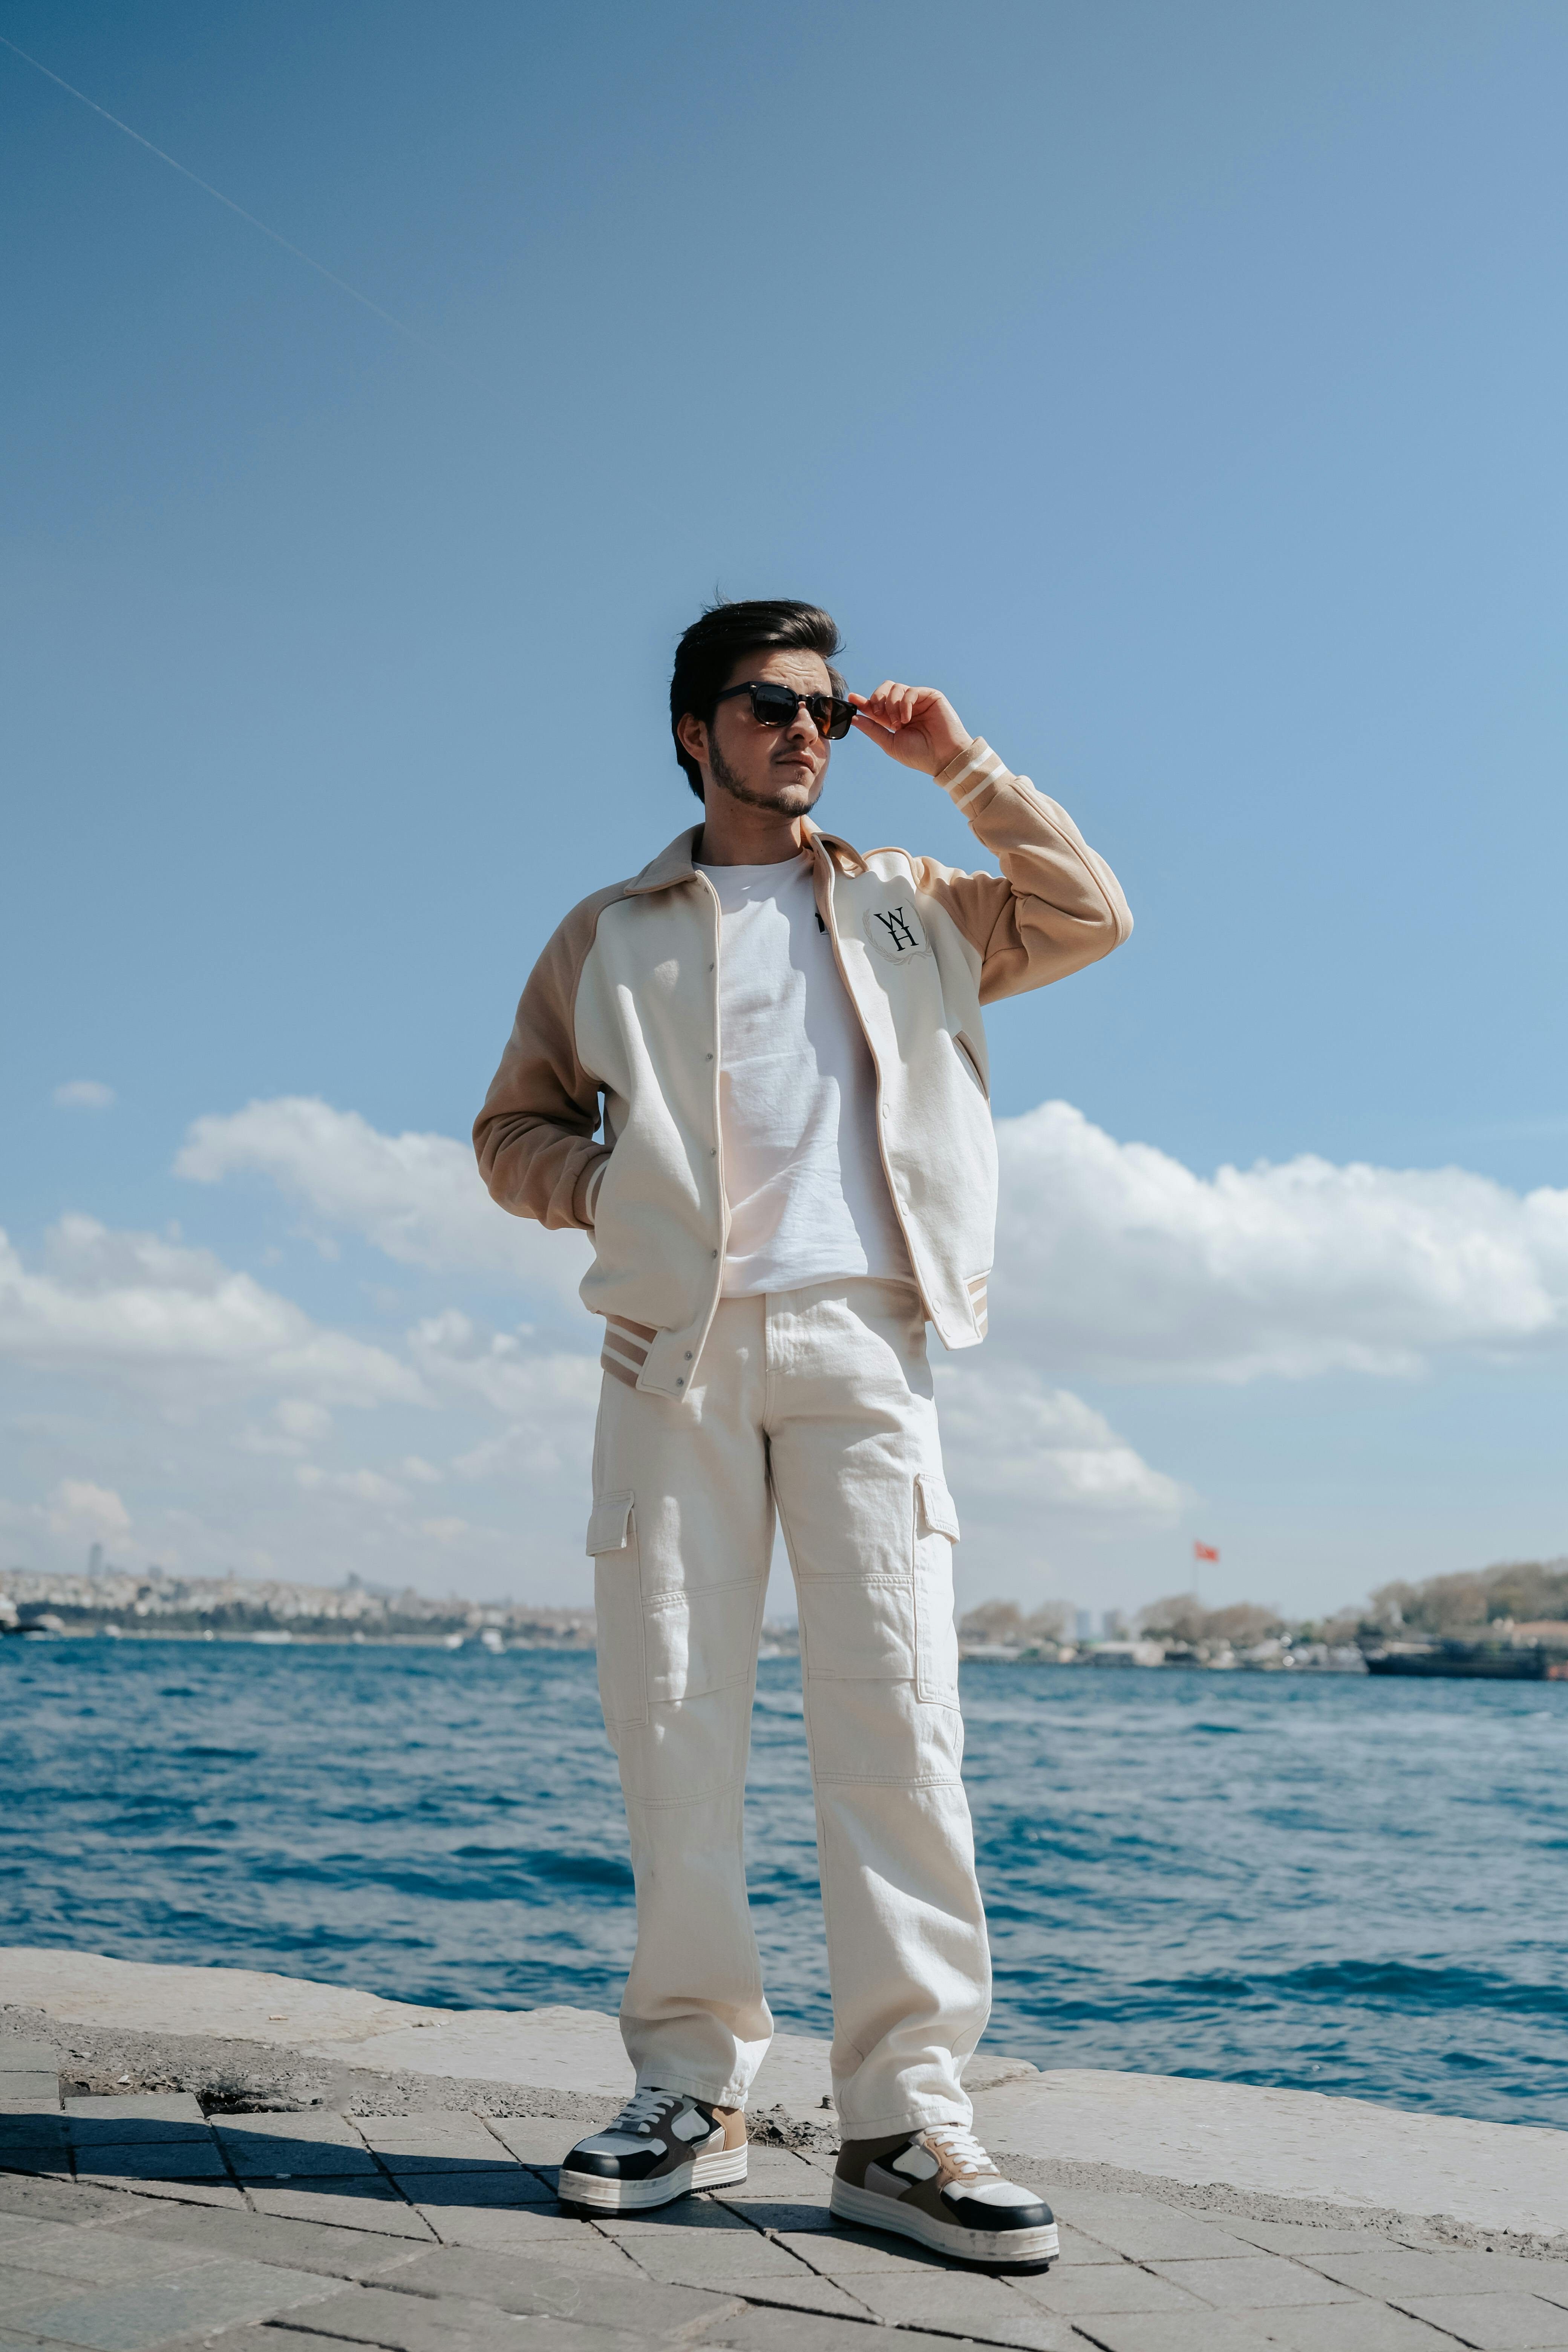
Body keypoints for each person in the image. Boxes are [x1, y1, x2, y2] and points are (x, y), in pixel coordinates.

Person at [473, 599, 1131, 2265]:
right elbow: (510, 1129)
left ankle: (904, 2124)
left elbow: (1090, 915)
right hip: (666, 1361)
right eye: (769, 703)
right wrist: (607, 1190)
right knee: (673, 1728)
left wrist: (960, 764)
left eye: (826, 708)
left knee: (897, 1732)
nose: (806, 729)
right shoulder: (608, 932)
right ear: (694, 729)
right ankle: (688, 2095)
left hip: (865, 1341)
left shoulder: (917, 900)